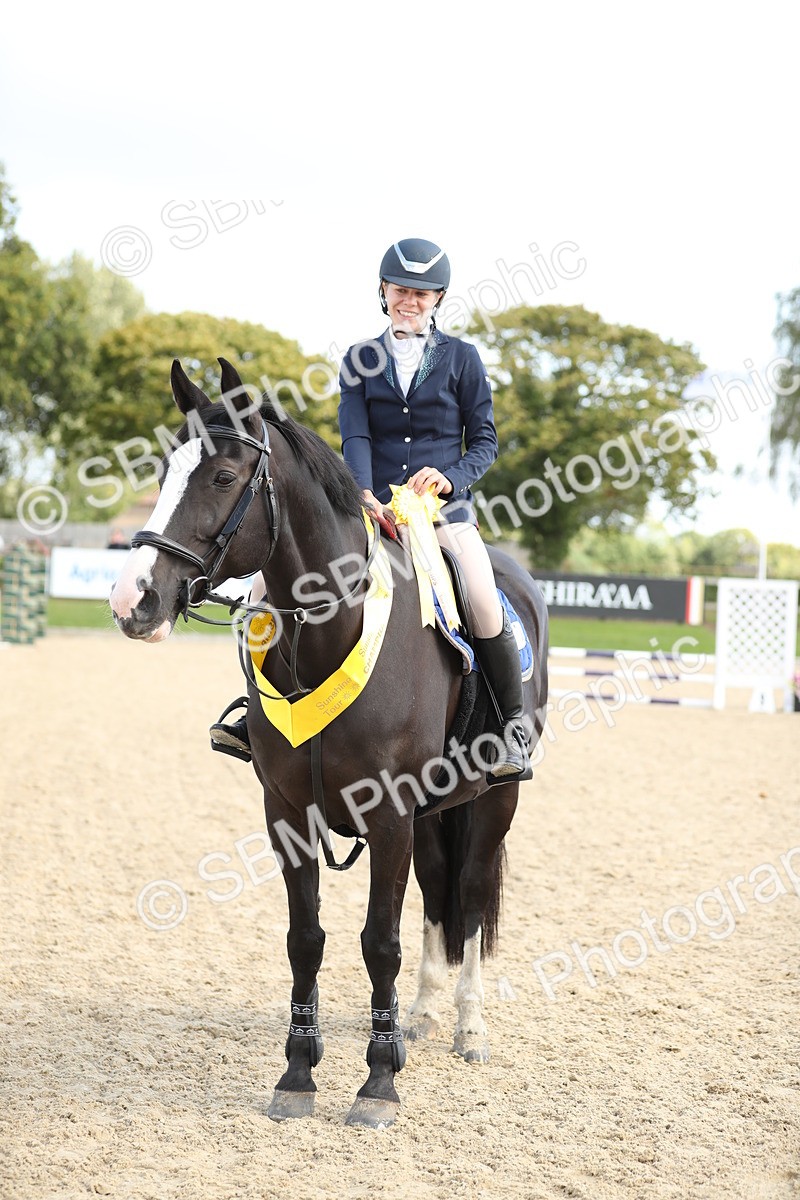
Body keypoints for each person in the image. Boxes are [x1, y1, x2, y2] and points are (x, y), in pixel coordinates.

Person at [210, 237, 531, 782]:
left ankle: (510, 727)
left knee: (480, 594)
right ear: (384, 291)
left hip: (440, 514)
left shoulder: (463, 359)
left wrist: (449, 480)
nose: (411, 300)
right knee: (264, 594)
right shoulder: (360, 359)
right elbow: (354, 432)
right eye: (402, 289)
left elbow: (484, 442)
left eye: (423, 293)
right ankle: (254, 713)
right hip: (367, 506)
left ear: (438, 299)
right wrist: (360, 491)